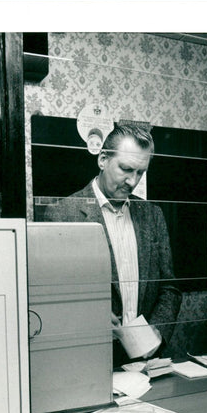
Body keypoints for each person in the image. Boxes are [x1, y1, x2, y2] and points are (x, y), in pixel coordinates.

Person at [43, 123, 181, 364]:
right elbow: (50, 297)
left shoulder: (153, 215)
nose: (132, 181)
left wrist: (157, 331)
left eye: (140, 172)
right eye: (126, 169)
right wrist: (90, 314)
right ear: (103, 160)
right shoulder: (63, 214)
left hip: (144, 360)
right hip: (88, 357)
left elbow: (169, 288)